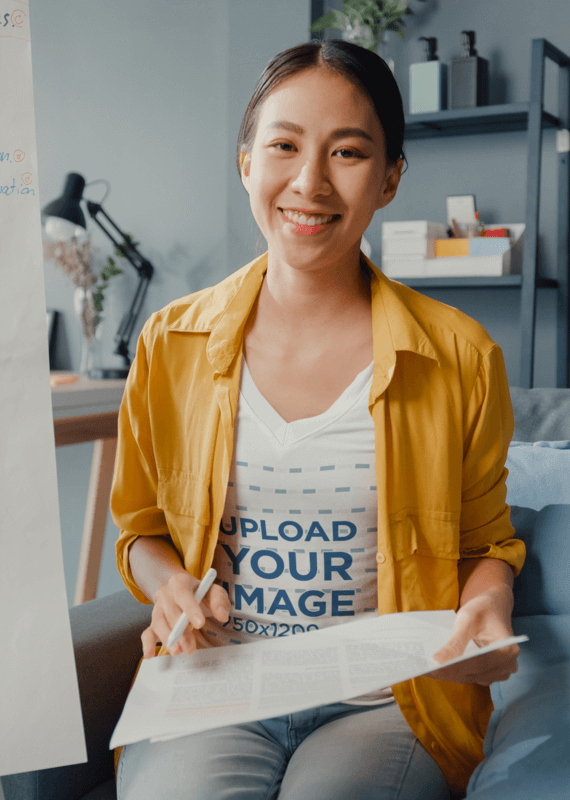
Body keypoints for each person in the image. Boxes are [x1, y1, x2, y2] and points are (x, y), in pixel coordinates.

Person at [111, 39, 526, 800]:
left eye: (348, 152)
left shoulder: (462, 355)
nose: (309, 181)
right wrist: (169, 584)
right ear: (246, 163)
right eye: (284, 145)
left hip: (387, 701)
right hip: (214, 690)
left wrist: (489, 605)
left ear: (391, 178)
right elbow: (139, 529)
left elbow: (483, 544)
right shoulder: (169, 344)